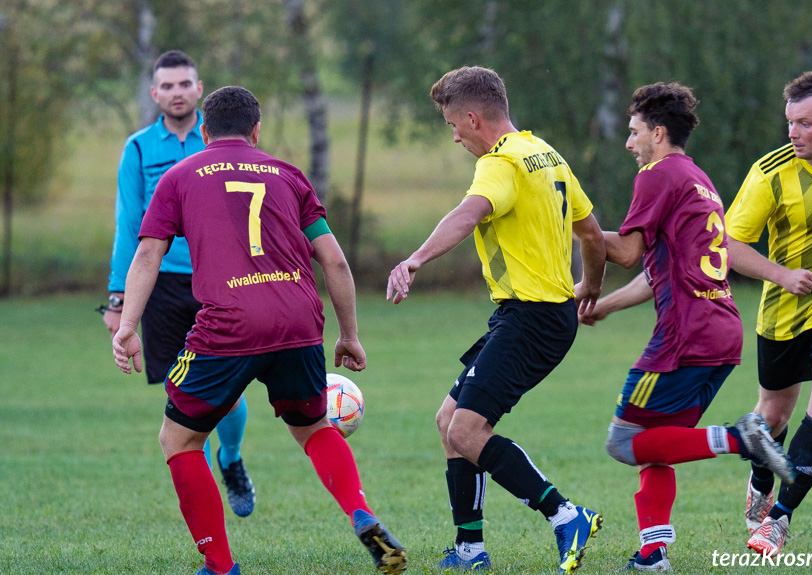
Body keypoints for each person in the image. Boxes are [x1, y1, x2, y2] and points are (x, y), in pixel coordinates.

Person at [112, 85, 407, 575]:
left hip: (229, 324)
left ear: (204, 132)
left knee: (180, 440)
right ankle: (361, 513)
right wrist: (349, 335)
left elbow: (148, 253)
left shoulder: (179, 175)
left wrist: (126, 326)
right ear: (256, 130)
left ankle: (220, 566)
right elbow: (332, 258)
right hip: (298, 319)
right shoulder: (288, 175)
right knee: (313, 428)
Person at [386, 66, 607, 574]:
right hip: (533, 315)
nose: (456, 137)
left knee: (466, 430)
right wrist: (590, 287)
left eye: (452, 126)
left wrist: (416, 259)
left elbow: (467, 214)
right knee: (449, 422)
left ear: (471, 116)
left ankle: (565, 514)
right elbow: (592, 234)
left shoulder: (500, 162)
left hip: (531, 319)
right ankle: (469, 549)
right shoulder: (545, 154)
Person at [579, 82, 793, 572]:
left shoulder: (657, 175)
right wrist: (605, 305)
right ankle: (654, 555)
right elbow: (660, 269)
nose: (629, 143)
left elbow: (628, 252)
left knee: (624, 441)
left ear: (657, 133)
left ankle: (744, 438)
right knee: (661, 447)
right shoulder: (696, 178)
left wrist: (579, 225)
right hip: (720, 331)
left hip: (685, 338)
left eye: (634, 133)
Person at [103, 50, 255, 517]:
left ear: (198, 89)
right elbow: (130, 224)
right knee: (184, 397)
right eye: (165, 86)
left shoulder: (221, 143)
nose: (175, 93)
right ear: (154, 94)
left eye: (183, 84)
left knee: (228, 395)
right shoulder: (140, 149)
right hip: (164, 286)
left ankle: (230, 459)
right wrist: (118, 296)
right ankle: (207, 488)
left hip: (223, 281)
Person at [725, 70, 812, 557]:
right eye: (789, 123)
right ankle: (761, 474)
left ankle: (778, 521)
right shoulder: (771, 172)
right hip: (784, 309)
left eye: (804, 124)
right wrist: (782, 275)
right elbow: (726, 243)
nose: (792, 133)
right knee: (773, 415)